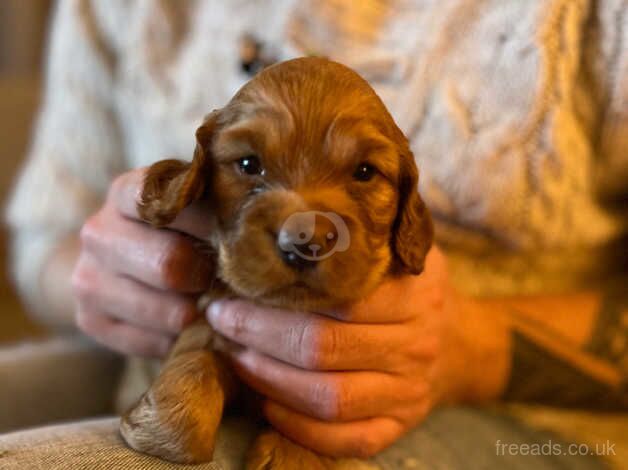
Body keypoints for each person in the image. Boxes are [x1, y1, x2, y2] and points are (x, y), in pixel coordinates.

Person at [2, 0, 627, 468]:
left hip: (532, 419)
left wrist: (472, 349)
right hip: (172, 344)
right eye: (249, 164)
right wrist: (96, 279)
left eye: (364, 172)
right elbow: (47, 238)